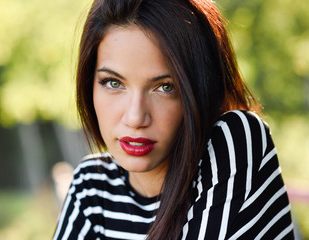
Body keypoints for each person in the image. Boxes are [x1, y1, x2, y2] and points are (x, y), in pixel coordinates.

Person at [53, 0, 294, 239]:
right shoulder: (92, 187)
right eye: (114, 83)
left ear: (199, 89)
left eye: (165, 87)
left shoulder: (235, 140)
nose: (136, 117)